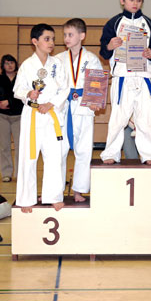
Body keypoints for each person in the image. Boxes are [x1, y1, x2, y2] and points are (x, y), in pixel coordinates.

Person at [99, 0, 151, 165]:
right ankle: (111, 153)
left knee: (146, 118)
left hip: (143, 77)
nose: (135, 3)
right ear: (122, 0)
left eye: (139, 0)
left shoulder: (147, 23)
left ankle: (149, 155)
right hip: (123, 78)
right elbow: (103, 50)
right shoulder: (114, 23)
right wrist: (110, 46)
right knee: (118, 118)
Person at [13, 24, 68, 212]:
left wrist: (51, 103)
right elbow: (17, 90)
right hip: (32, 114)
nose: (51, 43)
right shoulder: (27, 65)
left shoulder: (57, 64)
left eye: (53, 39)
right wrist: (29, 93)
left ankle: (53, 196)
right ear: (34, 41)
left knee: (54, 156)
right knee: (28, 157)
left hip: (51, 114)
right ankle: (26, 199)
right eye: (47, 39)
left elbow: (65, 89)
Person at [56, 18, 103, 202]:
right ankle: (55, 190)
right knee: (58, 152)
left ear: (82, 36)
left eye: (70, 34)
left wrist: (95, 101)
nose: (66, 38)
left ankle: (79, 190)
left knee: (83, 151)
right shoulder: (58, 59)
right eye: (65, 35)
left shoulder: (92, 59)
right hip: (63, 108)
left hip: (84, 107)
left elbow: (97, 83)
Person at [0, 54, 23, 183]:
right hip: (1, 116)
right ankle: (6, 173)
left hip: (18, 116)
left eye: (12, 62)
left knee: (20, 146)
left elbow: (24, 97)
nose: (10, 65)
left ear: (15, 64)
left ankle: (20, 173)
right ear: (2, 66)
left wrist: (9, 102)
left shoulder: (21, 78)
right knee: (4, 146)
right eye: (7, 63)